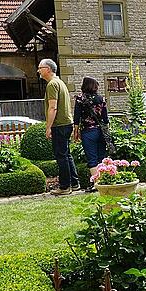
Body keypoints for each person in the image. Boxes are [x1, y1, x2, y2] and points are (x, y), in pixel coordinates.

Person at [38, 58, 80, 195]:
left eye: (40, 68)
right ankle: (74, 183)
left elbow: (53, 108)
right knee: (67, 155)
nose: (38, 70)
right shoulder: (60, 82)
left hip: (59, 125)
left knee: (61, 156)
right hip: (67, 123)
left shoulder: (52, 84)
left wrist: (48, 127)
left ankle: (64, 187)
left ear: (48, 69)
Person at [73, 76, 109, 192]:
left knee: (92, 159)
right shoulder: (100, 98)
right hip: (101, 131)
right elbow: (105, 118)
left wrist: (76, 132)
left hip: (88, 131)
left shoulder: (80, 99)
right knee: (101, 157)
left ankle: (96, 183)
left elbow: (76, 117)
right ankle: (104, 182)